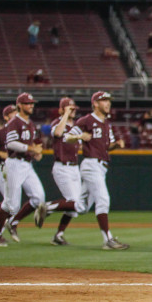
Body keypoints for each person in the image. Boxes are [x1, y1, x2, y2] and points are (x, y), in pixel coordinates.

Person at [69, 91, 129, 250]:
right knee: (103, 200)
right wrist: (80, 136)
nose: (108, 103)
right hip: (91, 164)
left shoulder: (106, 123)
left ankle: (48, 207)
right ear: (95, 103)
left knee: (81, 207)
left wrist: (116, 145)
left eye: (109, 100)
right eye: (104, 100)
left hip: (101, 166)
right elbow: (68, 137)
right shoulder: (86, 120)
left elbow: (106, 146)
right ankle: (108, 240)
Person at [0, 93, 47, 246]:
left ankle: (13, 222)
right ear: (20, 105)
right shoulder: (15, 122)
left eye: (32, 103)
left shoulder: (30, 123)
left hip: (27, 164)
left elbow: (35, 142)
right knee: (11, 205)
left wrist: (37, 150)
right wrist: (30, 148)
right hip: (14, 163)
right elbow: (11, 144)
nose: (31, 106)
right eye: (28, 103)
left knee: (39, 197)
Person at [37, 98, 92, 245]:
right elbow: (57, 133)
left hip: (74, 167)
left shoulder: (76, 126)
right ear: (62, 110)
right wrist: (65, 115)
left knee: (76, 208)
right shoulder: (58, 122)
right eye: (69, 108)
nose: (73, 111)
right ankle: (47, 207)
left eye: (73, 109)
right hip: (62, 167)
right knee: (74, 202)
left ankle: (58, 235)